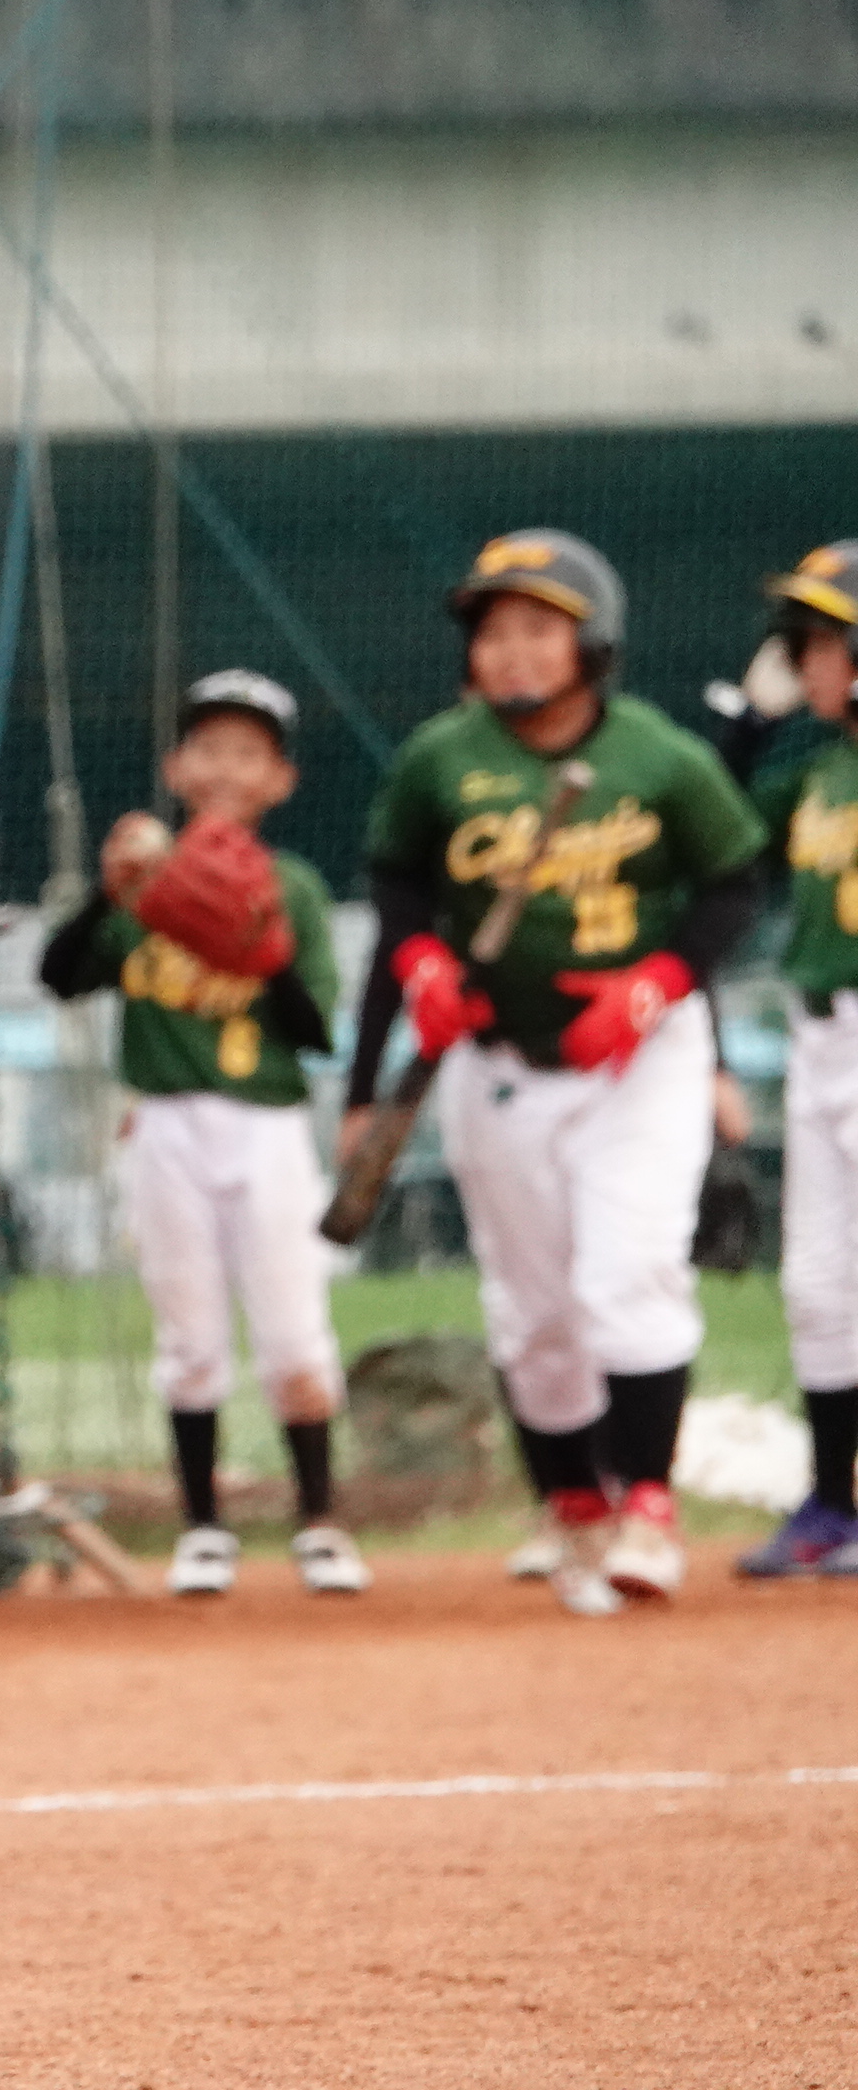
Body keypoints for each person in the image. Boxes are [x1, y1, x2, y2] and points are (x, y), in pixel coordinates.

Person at [342, 532, 766, 1617]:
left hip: (640, 1064)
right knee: (532, 1312)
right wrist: (421, 961)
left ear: (593, 642)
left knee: (629, 1276)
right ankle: (573, 1503)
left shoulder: (658, 756)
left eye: (539, 628)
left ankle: (649, 1507)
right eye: (493, 631)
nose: (512, 651)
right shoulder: (439, 759)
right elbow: (396, 883)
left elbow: (732, 883)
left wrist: (659, 983)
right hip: (500, 1066)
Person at [41, 670, 365, 1597]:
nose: (226, 768)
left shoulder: (291, 887)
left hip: (265, 1126)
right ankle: (203, 1529)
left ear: (280, 780)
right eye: (210, 749)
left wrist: (261, 949)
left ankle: (320, 1522)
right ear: (176, 767)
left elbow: (316, 1032)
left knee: (294, 1337)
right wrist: (107, 896)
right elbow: (61, 975)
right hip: (164, 1124)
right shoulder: (147, 882)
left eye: (249, 754)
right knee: (189, 1339)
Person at [711, 542, 858, 1576]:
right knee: (816, 1283)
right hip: (819, 1041)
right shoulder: (820, 771)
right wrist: (748, 725)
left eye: (820, 641)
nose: (801, 660)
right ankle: (833, 1506)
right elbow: (712, 826)